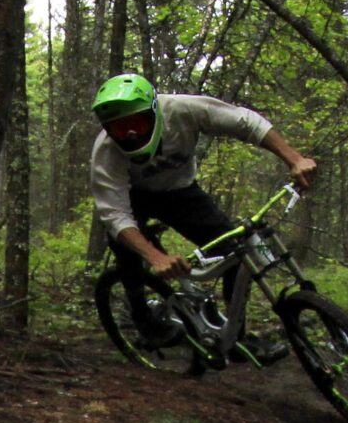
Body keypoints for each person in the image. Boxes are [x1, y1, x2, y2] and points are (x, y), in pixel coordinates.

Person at [88, 73, 319, 360]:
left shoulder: (181, 109)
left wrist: (294, 159)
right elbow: (115, 214)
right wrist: (155, 257)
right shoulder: (107, 152)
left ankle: (236, 337)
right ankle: (141, 315)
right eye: (119, 128)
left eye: (136, 123)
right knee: (128, 253)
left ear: (154, 110)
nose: (130, 134)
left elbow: (246, 122)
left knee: (236, 251)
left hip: (181, 192)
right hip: (133, 198)